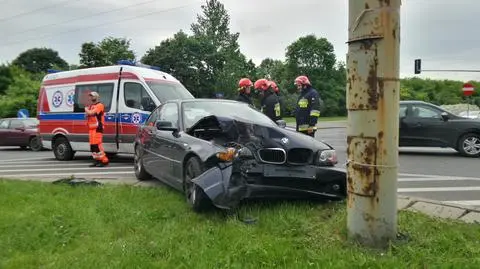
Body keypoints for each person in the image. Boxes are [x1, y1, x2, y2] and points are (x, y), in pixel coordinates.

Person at [84, 91, 109, 167]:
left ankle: (104, 160)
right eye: (90, 96)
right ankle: (97, 160)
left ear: (97, 97)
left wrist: (86, 110)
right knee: (92, 146)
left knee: (97, 145)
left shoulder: (100, 105)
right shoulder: (91, 106)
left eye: (93, 96)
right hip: (91, 128)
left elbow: (91, 113)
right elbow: (88, 115)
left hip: (98, 128)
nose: (91, 97)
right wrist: (87, 112)